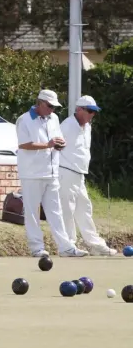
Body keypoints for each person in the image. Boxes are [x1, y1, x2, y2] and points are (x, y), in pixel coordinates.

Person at [15, 89, 88, 257]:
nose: (52, 110)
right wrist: (48, 145)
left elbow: (58, 139)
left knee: (56, 212)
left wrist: (60, 143)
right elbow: (24, 144)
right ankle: (37, 248)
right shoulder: (24, 120)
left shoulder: (54, 118)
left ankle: (66, 247)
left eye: (54, 107)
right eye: (49, 106)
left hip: (52, 172)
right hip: (31, 173)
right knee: (32, 212)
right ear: (39, 103)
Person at [59, 96, 117, 256]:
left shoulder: (88, 127)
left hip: (79, 174)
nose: (92, 115)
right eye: (90, 111)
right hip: (65, 171)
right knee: (67, 209)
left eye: (94, 112)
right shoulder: (67, 126)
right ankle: (68, 245)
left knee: (84, 208)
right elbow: (54, 148)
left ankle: (95, 244)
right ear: (79, 109)